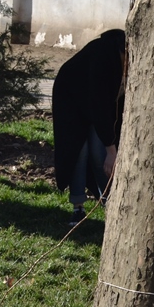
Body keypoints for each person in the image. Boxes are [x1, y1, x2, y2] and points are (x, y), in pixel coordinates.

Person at [52, 29, 126, 226]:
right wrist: (112, 150)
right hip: (71, 99)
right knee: (80, 151)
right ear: (122, 53)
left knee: (98, 151)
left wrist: (111, 147)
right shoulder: (103, 59)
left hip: (95, 105)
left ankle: (111, 202)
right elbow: (99, 107)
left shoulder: (130, 63)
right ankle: (78, 207)